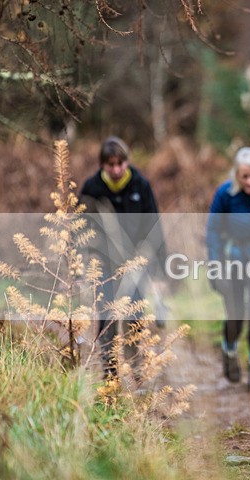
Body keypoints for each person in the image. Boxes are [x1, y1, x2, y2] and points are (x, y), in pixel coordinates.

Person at [79, 136, 168, 380]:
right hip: (103, 264)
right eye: (111, 165)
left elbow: (154, 226)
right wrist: (78, 267)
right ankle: (110, 374)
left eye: (121, 163)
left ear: (127, 162)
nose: (117, 170)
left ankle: (135, 366)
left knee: (134, 315)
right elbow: (78, 230)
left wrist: (161, 269)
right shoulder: (91, 189)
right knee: (107, 316)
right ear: (102, 165)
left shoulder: (140, 185)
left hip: (136, 261)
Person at [206, 147, 250, 390]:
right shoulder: (225, 194)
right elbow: (213, 231)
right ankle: (230, 351)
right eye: (244, 176)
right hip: (232, 261)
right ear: (236, 175)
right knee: (236, 315)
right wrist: (214, 264)